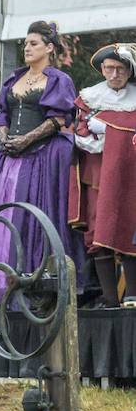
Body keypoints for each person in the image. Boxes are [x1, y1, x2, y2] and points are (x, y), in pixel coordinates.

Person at [0, 20, 83, 306]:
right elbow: (1, 112)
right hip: (9, 156)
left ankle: (35, 281)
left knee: (37, 213)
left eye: (33, 43)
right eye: (25, 43)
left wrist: (26, 140)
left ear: (49, 48)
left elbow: (58, 120)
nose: (27, 47)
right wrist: (4, 136)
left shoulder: (59, 80)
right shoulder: (14, 78)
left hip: (43, 156)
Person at [70, 42, 136, 307]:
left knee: (131, 227)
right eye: (109, 68)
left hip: (131, 177)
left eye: (120, 69)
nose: (114, 74)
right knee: (100, 230)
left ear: (129, 72)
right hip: (98, 176)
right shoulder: (90, 98)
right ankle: (110, 299)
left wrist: (109, 129)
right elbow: (79, 134)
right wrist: (97, 133)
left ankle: (132, 293)